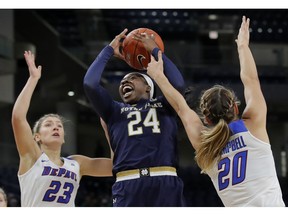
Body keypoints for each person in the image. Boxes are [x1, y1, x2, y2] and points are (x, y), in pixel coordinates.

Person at [147, 16, 285, 207]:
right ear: (235, 107)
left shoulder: (205, 142)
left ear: (206, 117)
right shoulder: (253, 124)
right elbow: (251, 80)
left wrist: (157, 76)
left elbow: (180, 107)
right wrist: (243, 47)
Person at [83, 29, 186, 207]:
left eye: (133, 77)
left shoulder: (165, 105)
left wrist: (155, 50)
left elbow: (178, 84)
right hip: (127, 183)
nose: (124, 82)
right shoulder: (113, 110)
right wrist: (108, 50)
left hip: (165, 180)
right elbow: (90, 84)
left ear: (148, 88)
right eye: (123, 81)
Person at [11, 50, 113, 207]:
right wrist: (33, 79)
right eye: (48, 124)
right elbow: (18, 117)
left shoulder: (77, 163)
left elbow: (116, 166)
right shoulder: (32, 157)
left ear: (64, 137)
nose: (55, 127)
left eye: (59, 125)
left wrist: (109, 131)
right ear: (37, 137)